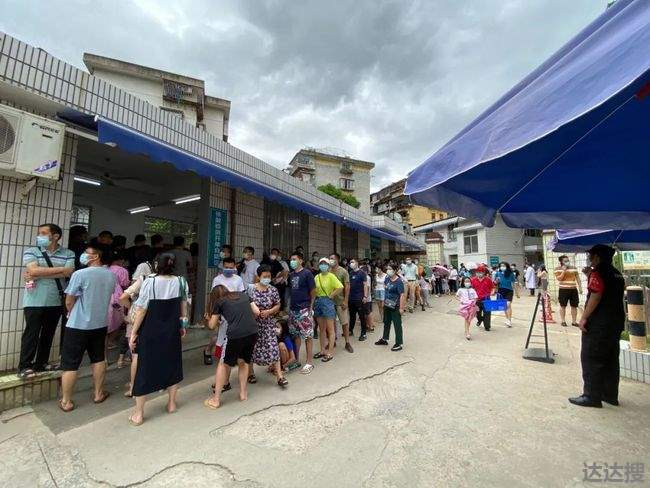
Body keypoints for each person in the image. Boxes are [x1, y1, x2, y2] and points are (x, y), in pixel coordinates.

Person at [128, 253, 189, 425]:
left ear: (156, 264)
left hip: (151, 330)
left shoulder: (150, 281)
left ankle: (139, 414)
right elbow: (183, 304)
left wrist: (134, 332)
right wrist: (183, 325)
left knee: (144, 368)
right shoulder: (181, 281)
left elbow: (141, 309)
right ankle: (171, 404)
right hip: (172, 329)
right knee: (173, 363)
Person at [59, 244, 115, 412]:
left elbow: (69, 300)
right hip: (100, 323)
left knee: (70, 363)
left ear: (96, 256)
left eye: (86, 253)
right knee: (98, 359)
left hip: (78, 325)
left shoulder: (80, 274)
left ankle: (66, 401)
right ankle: (98, 394)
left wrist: (72, 313)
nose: (83, 255)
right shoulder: (111, 275)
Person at [569, 245, 625, 408]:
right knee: (610, 359)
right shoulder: (617, 273)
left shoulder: (598, 272)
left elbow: (596, 295)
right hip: (615, 322)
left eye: (591, 256)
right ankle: (610, 395)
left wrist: (584, 318)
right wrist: (589, 275)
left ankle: (591, 396)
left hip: (599, 323)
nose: (590, 259)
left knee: (591, 358)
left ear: (597, 258)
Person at [19, 223, 75, 378]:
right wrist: (60, 270)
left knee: (48, 333)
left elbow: (69, 272)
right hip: (33, 300)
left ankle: (41, 364)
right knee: (32, 333)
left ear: (55, 236)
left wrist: (38, 273)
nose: (39, 236)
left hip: (56, 300)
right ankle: (24, 366)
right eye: (39, 233)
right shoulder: (32, 251)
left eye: (43, 233)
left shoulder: (68, 253)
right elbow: (32, 270)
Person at [204, 285, 260, 409]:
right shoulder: (244, 295)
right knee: (243, 362)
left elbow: (212, 325)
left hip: (235, 335)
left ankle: (216, 399)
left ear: (214, 297)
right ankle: (243, 393)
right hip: (252, 332)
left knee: (223, 364)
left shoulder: (220, 302)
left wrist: (208, 319)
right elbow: (257, 312)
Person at [117, 257, 154, 396]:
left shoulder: (143, 279)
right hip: (154, 321)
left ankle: (134, 385)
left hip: (137, 320)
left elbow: (122, 297)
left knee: (136, 354)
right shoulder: (172, 281)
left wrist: (131, 307)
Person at [248, 265, 287, 387]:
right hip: (253, 324)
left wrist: (269, 312)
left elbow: (278, 305)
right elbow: (246, 303)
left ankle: (280, 376)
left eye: (269, 276)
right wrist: (255, 312)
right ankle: (250, 373)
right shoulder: (251, 289)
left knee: (273, 347)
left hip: (268, 323)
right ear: (259, 277)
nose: (267, 278)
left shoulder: (273, 290)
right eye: (264, 276)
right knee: (251, 348)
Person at [206, 257, 245, 365]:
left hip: (234, 311)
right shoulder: (217, 279)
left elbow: (241, 295)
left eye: (230, 267)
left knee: (230, 335)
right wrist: (211, 312)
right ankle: (208, 351)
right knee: (218, 335)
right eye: (226, 267)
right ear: (223, 267)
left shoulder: (238, 279)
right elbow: (213, 296)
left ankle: (228, 357)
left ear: (234, 267)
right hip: (220, 311)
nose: (228, 269)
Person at [287, 252, 316, 374]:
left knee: (308, 335)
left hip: (304, 309)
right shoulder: (291, 275)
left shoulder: (307, 273)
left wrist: (310, 307)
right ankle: (297, 360)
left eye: (294, 259)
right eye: (291, 259)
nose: (292, 261)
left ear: (301, 260)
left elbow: (313, 291)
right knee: (296, 335)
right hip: (293, 309)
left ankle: (309, 362)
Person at [313, 258, 343, 362]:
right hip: (318, 302)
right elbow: (314, 290)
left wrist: (331, 295)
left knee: (330, 329)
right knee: (321, 329)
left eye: (325, 263)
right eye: (321, 263)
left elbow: (340, 287)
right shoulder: (317, 277)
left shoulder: (331, 276)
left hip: (327, 302)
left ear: (328, 265)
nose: (322, 265)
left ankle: (330, 352)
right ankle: (322, 350)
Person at [375, 265, 405, 351]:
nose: (388, 270)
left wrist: (401, 308)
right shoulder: (387, 279)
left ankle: (399, 343)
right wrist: (384, 301)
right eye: (387, 269)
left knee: (397, 324)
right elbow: (386, 290)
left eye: (390, 269)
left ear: (395, 270)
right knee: (386, 322)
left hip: (396, 306)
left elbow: (402, 295)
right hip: (387, 304)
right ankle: (384, 339)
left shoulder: (399, 281)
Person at [329, 253, 353, 352]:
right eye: (329, 258)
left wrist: (345, 300)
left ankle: (347, 342)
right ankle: (332, 341)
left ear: (337, 260)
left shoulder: (343, 271)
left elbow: (347, 286)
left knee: (344, 322)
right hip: (330, 302)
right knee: (331, 323)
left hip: (340, 301)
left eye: (332, 258)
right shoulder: (328, 271)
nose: (330, 260)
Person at [554, 255, 583, 327]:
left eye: (568, 260)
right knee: (563, 305)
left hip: (573, 289)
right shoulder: (557, 269)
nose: (567, 262)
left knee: (574, 306)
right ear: (561, 262)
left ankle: (574, 321)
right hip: (563, 289)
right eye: (565, 261)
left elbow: (578, 278)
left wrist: (580, 287)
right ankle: (563, 321)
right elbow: (559, 279)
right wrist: (563, 271)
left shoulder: (574, 268)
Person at [347, 258, 369, 341]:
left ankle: (363, 333)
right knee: (352, 316)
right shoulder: (350, 273)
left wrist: (365, 296)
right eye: (350, 262)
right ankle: (350, 330)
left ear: (357, 263)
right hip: (351, 298)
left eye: (352, 262)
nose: (351, 263)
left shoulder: (362, 273)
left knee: (361, 316)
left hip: (359, 298)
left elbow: (365, 285)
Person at [471, 265, 495, 331]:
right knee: (477, 313)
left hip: (486, 299)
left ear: (484, 272)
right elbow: (471, 289)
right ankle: (480, 319)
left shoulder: (488, 279)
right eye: (477, 272)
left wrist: (492, 292)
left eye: (480, 272)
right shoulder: (473, 280)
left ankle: (487, 326)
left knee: (487, 313)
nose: (479, 273)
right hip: (477, 300)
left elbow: (493, 287)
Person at [494, 262, 516, 327]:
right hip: (501, 290)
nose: (502, 267)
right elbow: (495, 283)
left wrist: (517, 293)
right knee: (504, 306)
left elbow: (513, 282)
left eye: (503, 266)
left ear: (507, 266)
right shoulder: (497, 273)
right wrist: (496, 281)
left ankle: (509, 320)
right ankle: (507, 319)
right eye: (501, 266)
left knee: (508, 304)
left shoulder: (511, 273)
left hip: (509, 290)